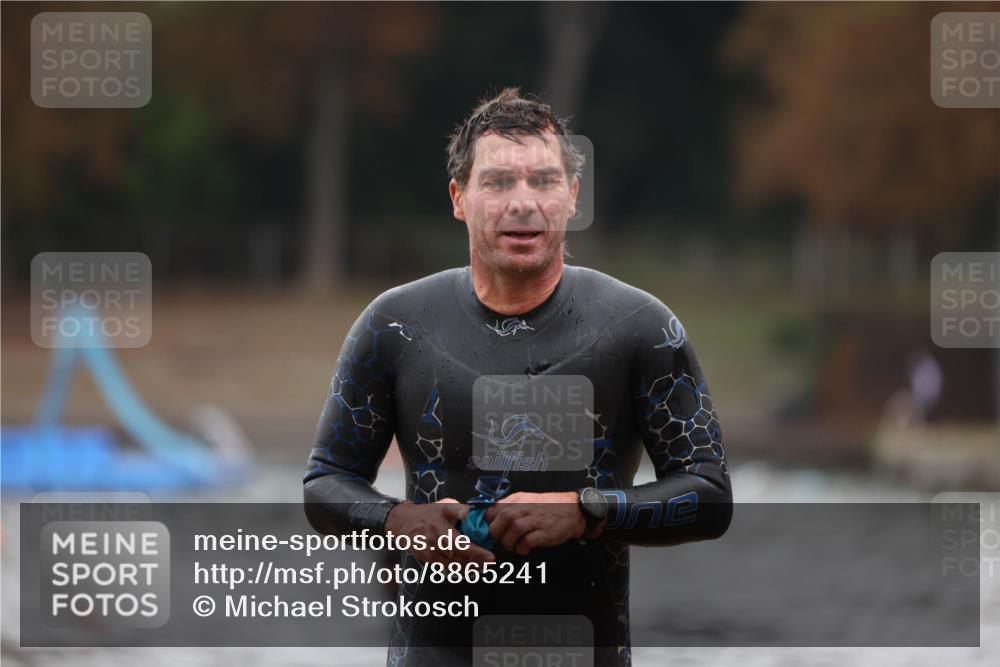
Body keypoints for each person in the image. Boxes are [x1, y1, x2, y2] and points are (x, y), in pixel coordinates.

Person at [304, 88, 732, 666]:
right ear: (460, 197)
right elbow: (325, 485)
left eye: (544, 180)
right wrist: (397, 519)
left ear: (573, 196)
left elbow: (709, 496)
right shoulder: (396, 326)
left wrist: (588, 510)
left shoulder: (640, 328)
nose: (523, 202)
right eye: (499, 181)